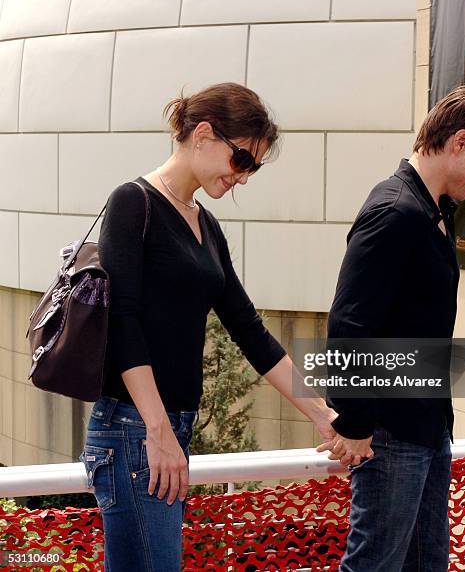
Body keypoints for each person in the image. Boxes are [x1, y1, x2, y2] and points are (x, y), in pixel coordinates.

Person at [79, 82, 338, 571]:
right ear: (202, 134)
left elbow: (249, 330)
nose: (244, 177)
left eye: (253, 168)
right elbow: (122, 322)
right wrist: (157, 432)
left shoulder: (206, 224)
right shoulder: (133, 202)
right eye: (242, 159)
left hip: (164, 431)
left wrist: (322, 415)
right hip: (134, 430)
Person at [318, 85, 465, 571]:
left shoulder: (435, 212)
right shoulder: (396, 211)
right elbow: (350, 323)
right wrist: (355, 422)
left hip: (428, 427)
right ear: (459, 143)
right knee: (375, 566)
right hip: (390, 432)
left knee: (427, 564)